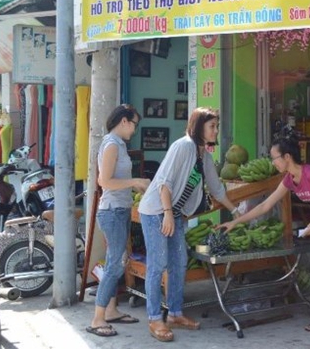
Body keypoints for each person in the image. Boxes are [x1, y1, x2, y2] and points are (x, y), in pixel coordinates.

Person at [218, 136, 310, 332]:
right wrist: (235, 221)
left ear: (287, 157)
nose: (272, 162)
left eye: (274, 158)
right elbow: (265, 205)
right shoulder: (290, 179)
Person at [138, 107, 239, 342]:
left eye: (216, 126)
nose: (216, 130)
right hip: (156, 212)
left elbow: (216, 188)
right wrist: (167, 214)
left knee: (179, 262)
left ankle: (174, 313)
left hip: (176, 214)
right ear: (199, 126)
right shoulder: (182, 146)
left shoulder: (204, 155)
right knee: (158, 263)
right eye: (212, 126)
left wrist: (235, 210)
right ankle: (155, 318)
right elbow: (164, 182)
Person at [87, 104, 151, 337]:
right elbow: (105, 181)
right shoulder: (112, 144)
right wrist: (136, 182)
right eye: (134, 123)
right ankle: (97, 319)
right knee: (114, 264)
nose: (134, 129)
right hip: (112, 211)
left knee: (118, 261)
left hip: (120, 210)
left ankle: (112, 310)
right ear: (124, 121)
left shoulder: (119, 144)